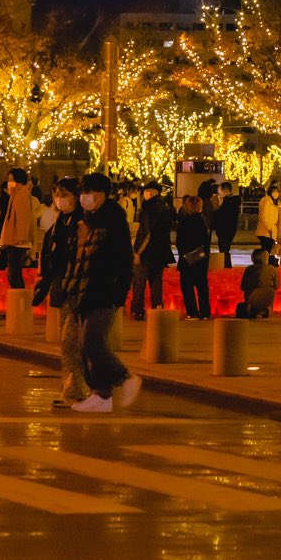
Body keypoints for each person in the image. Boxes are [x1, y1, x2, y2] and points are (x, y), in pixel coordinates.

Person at [62, 173, 138, 414]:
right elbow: (77, 258)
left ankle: (124, 377)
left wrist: (119, 292)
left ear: (103, 194)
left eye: (89, 192)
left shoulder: (114, 221)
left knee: (92, 342)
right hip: (83, 292)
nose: (84, 197)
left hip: (104, 292)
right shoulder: (86, 221)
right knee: (84, 346)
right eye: (82, 192)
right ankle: (101, 394)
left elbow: (125, 260)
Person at [32, 178, 88, 407]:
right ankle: (73, 389)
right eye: (56, 194)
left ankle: (79, 390)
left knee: (72, 341)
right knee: (67, 343)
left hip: (79, 289)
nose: (59, 199)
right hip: (62, 287)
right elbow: (50, 257)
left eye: (64, 194)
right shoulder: (59, 224)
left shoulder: (83, 224)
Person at [130, 182, 175, 320]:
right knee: (156, 283)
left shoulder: (149, 208)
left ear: (154, 191)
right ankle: (157, 310)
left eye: (147, 190)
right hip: (160, 252)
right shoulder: (165, 207)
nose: (145, 193)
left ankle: (137, 310)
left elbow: (146, 233)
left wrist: (138, 252)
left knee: (139, 282)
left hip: (147, 252)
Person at [0, 168, 37, 293]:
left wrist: (21, 237)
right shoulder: (16, 194)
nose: (9, 182)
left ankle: (19, 300)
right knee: (14, 274)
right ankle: (19, 299)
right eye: (8, 179)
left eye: (11, 179)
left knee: (14, 274)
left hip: (18, 242)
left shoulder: (21, 195)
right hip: (15, 240)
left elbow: (23, 218)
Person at [174, 193, 212, 319]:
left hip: (187, 259)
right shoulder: (203, 222)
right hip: (201, 259)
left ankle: (192, 312)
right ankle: (205, 312)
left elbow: (180, 242)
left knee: (187, 287)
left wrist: (184, 254)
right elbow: (206, 242)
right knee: (202, 287)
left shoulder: (184, 222)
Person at [236, 244, 279, 318]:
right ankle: (263, 310)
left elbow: (243, 287)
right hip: (269, 297)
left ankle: (253, 310)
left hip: (251, 297)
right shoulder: (272, 269)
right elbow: (277, 286)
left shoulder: (249, 269)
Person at [211, 180, 242, 266]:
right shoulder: (233, 201)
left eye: (219, 190)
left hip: (224, 230)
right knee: (225, 250)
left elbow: (221, 215)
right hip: (230, 229)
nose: (218, 193)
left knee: (224, 251)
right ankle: (226, 266)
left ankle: (226, 266)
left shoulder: (227, 202)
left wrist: (215, 209)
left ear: (224, 191)